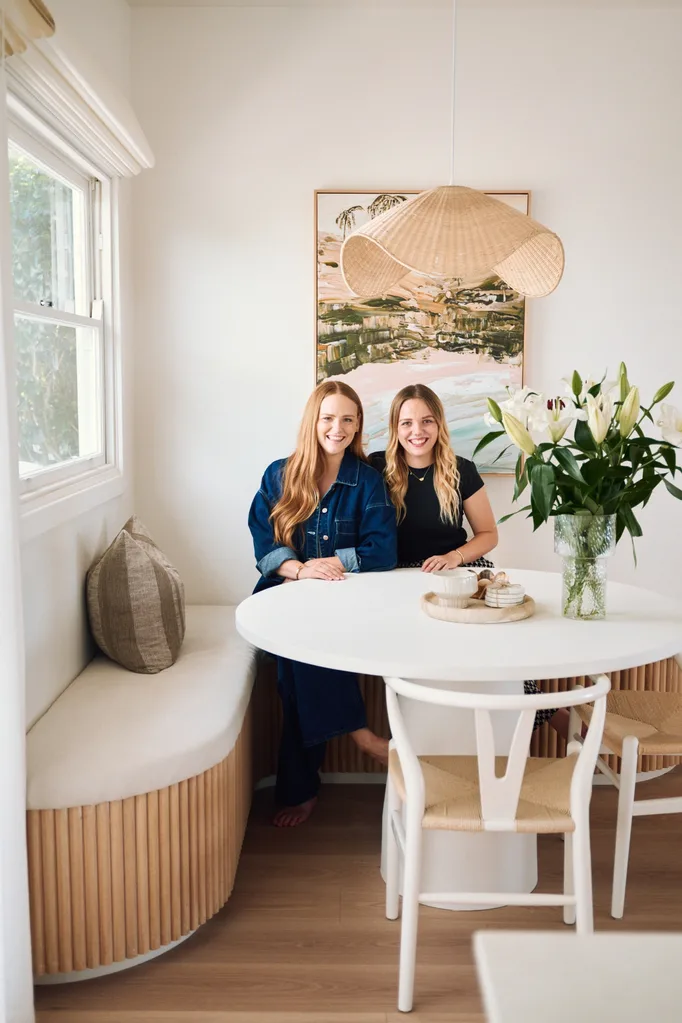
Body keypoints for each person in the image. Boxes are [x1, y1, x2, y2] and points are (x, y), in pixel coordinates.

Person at [370, 383, 566, 736]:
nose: (417, 432)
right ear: (395, 428)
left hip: (463, 572)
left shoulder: (461, 469)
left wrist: (453, 556)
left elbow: (488, 534)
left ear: (440, 425)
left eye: (427, 421)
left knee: (505, 650)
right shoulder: (375, 469)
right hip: (397, 577)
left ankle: (535, 720)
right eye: (407, 423)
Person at [249, 380, 397, 827]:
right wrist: (300, 570)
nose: (338, 427)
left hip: (344, 601)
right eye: (329, 417)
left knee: (298, 668)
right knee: (299, 645)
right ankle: (365, 738)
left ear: (358, 426)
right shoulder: (279, 474)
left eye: (348, 419)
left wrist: (331, 562)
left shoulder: (368, 481)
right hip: (284, 596)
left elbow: (383, 550)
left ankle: (301, 788)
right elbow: (264, 545)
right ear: (313, 421)